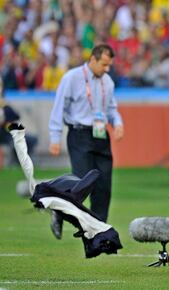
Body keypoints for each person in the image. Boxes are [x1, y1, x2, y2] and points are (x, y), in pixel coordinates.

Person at [48, 44, 124, 239]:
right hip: (79, 134)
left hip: (100, 135)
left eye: (109, 65)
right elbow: (59, 107)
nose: (107, 69)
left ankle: (97, 231)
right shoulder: (71, 78)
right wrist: (54, 136)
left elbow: (111, 108)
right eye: (104, 64)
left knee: (104, 186)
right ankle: (59, 211)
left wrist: (117, 123)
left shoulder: (107, 81)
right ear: (93, 59)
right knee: (81, 184)